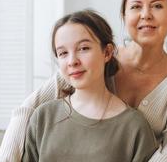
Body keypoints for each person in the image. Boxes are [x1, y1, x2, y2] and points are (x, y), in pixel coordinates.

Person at [0, 0, 167, 162]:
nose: (146, 14)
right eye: (136, 7)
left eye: (157, 6)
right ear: (124, 15)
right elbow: (27, 110)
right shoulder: (90, 61)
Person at [20, 10, 158, 162]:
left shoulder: (134, 127)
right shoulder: (43, 118)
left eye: (83, 48)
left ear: (107, 52)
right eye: (63, 53)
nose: (72, 61)